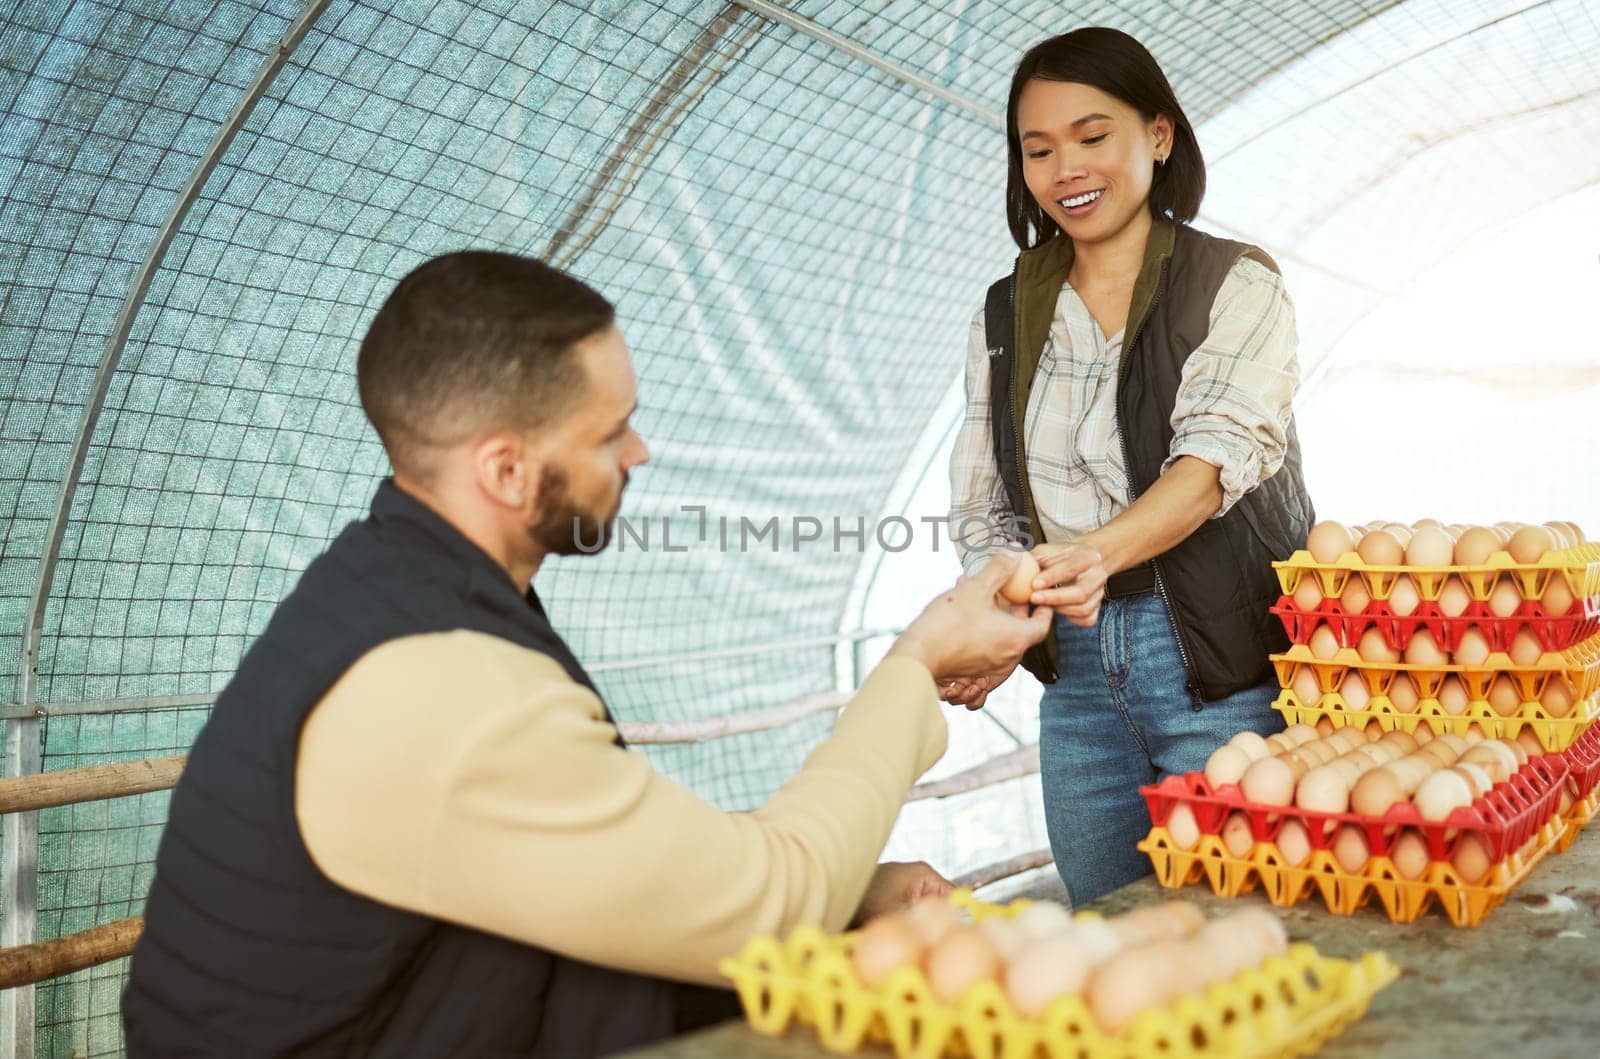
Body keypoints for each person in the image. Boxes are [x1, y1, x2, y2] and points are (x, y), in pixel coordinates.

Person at [121, 251, 1053, 1057]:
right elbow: (772, 903)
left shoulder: (397, 588)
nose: (639, 452)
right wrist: (915, 659)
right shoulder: (441, 681)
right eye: (610, 431)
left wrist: (847, 894)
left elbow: (610, 867)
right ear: (505, 469)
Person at [945, 27, 1315, 906]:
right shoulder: (1006, 311)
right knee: (1110, 937)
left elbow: (1210, 464)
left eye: (1091, 135)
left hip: (1219, 669)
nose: (1065, 167)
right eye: (1038, 149)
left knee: (1234, 930)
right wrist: (1005, 615)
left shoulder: (1235, 283)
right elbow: (985, 504)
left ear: (1158, 134)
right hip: (1074, 679)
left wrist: (1086, 560)